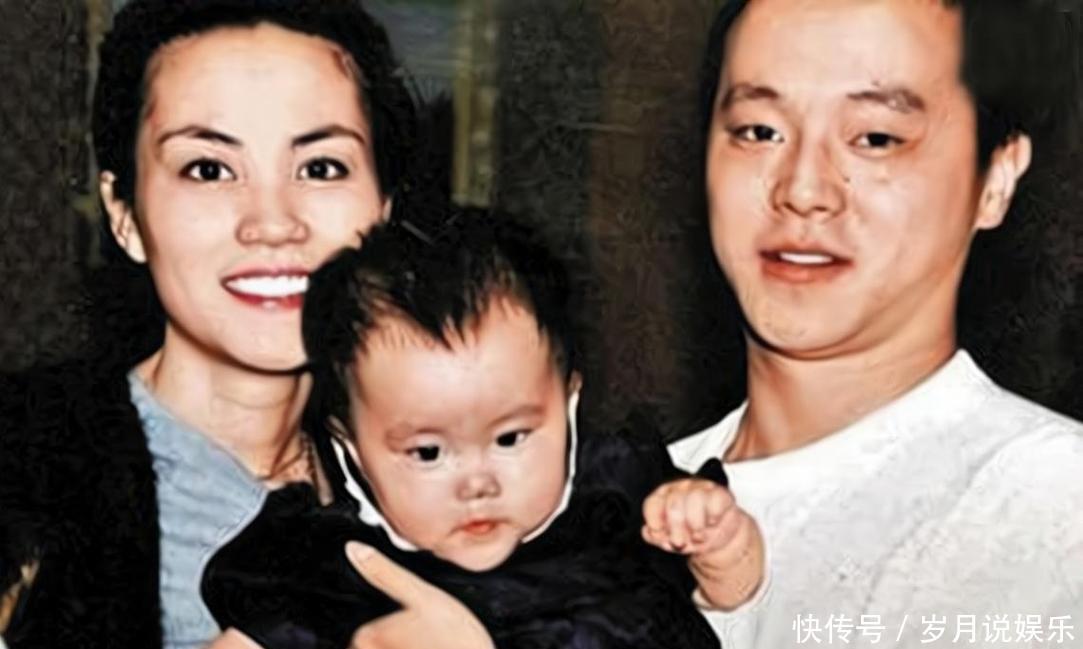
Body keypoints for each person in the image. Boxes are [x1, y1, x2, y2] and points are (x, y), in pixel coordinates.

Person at [0, 1, 418, 647]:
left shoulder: (450, 468)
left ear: (383, 208)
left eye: (320, 167)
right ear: (124, 213)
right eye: (208, 169)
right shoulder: (24, 467)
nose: (272, 223)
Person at [667, 1, 1083, 647]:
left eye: (876, 139)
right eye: (758, 131)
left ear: (996, 178)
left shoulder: (1049, 508)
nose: (802, 189)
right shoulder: (593, 499)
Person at [201, 205, 764, 649]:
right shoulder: (329, 567)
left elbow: (732, 590)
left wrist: (719, 542)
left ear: (569, 401)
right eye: (427, 453)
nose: (477, 483)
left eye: (511, 439)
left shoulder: (621, 500)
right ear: (353, 450)